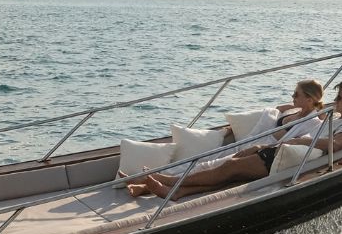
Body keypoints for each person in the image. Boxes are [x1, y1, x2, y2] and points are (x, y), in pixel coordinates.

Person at [126, 79, 326, 199]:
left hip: (262, 152)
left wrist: (260, 146)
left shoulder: (313, 123)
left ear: (309, 99)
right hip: (250, 144)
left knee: (215, 166)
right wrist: (231, 128)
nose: (292, 96)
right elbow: (272, 111)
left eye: (296, 94)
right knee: (209, 162)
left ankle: (160, 181)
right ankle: (148, 186)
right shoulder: (292, 110)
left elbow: (300, 142)